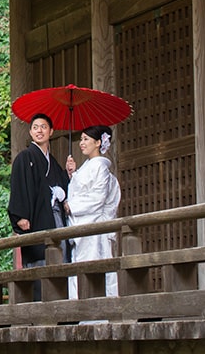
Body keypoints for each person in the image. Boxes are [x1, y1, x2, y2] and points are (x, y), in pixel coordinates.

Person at [8, 113, 69, 298]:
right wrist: (21, 216)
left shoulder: (54, 162)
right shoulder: (25, 157)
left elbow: (61, 187)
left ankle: (61, 305)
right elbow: (18, 186)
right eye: (35, 127)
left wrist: (68, 173)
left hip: (55, 217)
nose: (39, 131)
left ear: (51, 131)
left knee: (61, 258)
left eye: (43, 127)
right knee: (40, 258)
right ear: (30, 132)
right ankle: (41, 306)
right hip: (36, 218)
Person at [63, 124, 121, 299]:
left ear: (98, 143)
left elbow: (97, 197)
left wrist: (71, 206)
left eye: (86, 139)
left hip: (93, 227)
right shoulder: (87, 167)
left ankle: (96, 315)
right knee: (80, 268)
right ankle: (80, 312)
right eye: (81, 139)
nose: (82, 143)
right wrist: (73, 174)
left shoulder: (100, 167)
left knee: (93, 268)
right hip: (82, 225)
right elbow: (82, 189)